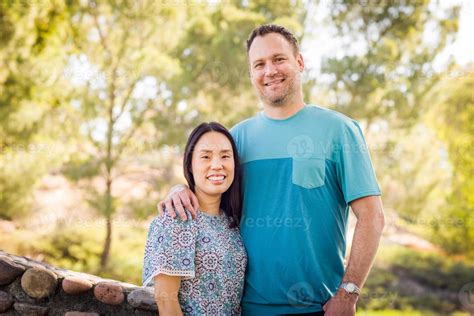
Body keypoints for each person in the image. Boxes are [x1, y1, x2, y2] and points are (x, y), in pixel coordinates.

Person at [158, 24, 385, 316]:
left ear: (299, 62)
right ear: (252, 73)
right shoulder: (236, 139)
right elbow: (207, 186)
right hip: (246, 309)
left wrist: (349, 293)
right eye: (259, 64)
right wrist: (179, 189)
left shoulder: (340, 130)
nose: (270, 71)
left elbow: (372, 217)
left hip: (321, 308)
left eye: (279, 59)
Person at [143, 122, 247, 315]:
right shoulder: (176, 218)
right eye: (205, 157)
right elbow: (165, 299)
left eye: (225, 156)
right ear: (190, 164)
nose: (217, 165)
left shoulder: (230, 221)